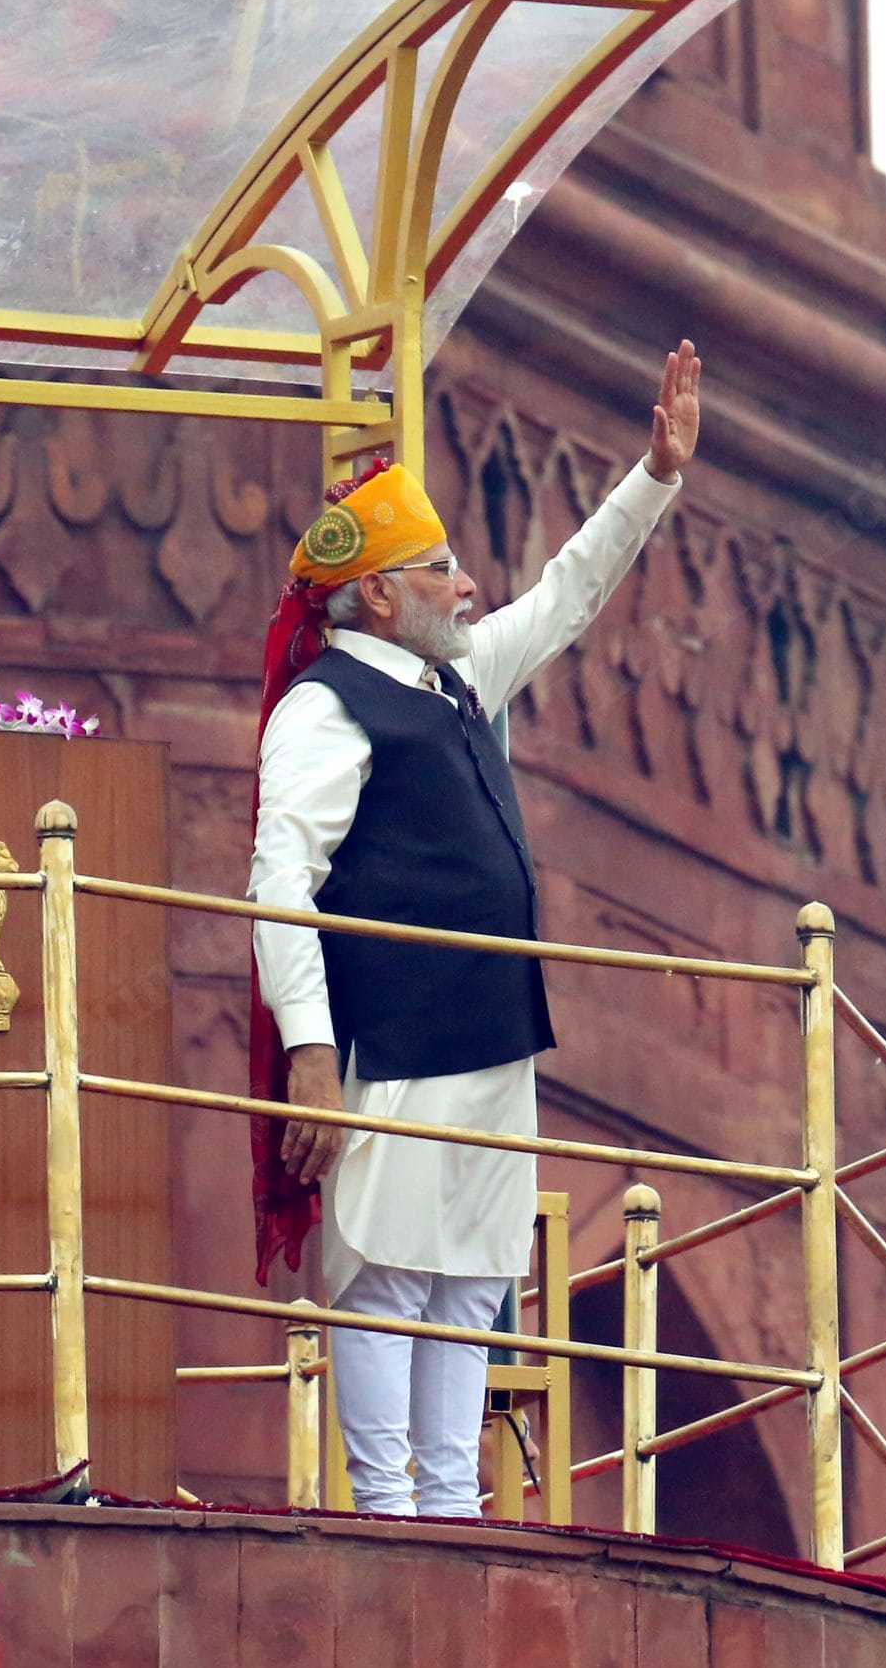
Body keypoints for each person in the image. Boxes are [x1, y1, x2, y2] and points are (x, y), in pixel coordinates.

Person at [246, 341, 705, 1516]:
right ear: (379, 594)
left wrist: (652, 476)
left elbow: (565, 595)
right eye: (438, 568)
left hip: (493, 1036)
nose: (466, 585)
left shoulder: (454, 680)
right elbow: (279, 879)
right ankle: (387, 1510)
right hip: (391, 1040)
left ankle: (452, 1507)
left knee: (469, 1279)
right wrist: (307, 1049)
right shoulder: (325, 702)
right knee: (387, 1275)